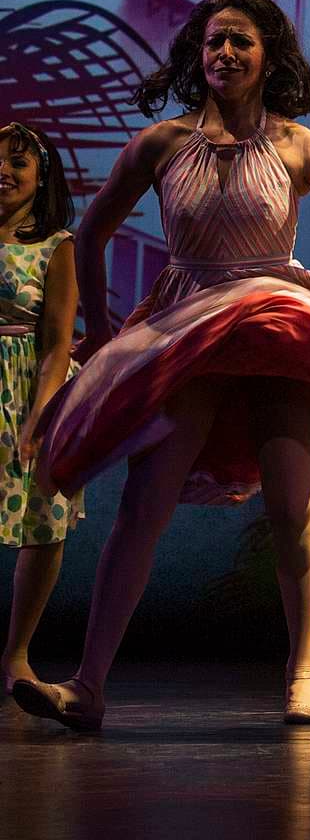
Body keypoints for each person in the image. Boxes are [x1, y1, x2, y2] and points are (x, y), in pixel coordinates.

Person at [15, 0, 310, 732]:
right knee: (143, 506)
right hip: (187, 330)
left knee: (291, 506)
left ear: (269, 57)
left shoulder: (297, 146)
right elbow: (88, 237)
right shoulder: (161, 144)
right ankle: (89, 685)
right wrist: (102, 335)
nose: (224, 53)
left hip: (274, 329)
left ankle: (303, 669)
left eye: (240, 41)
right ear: (197, 56)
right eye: (213, 42)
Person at [0, 122, 78, 692]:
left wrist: (41, 415)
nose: (3, 171)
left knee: (42, 522)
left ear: (41, 177)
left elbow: (57, 344)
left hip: (29, 388)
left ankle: (16, 655)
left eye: (17, 162)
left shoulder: (56, 246)